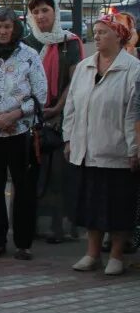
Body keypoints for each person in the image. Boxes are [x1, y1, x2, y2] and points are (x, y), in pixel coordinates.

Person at [64, 15, 140, 276]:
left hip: (116, 149)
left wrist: (134, 149)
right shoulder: (85, 66)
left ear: (119, 36)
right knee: (91, 204)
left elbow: (133, 113)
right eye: (95, 32)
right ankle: (92, 254)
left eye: (103, 32)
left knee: (118, 205)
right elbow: (72, 105)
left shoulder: (133, 69)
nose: (96, 37)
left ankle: (116, 255)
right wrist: (69, 138)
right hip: (86, 149)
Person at [0, 8, 48, 260]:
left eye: (7, 27)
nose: (2, 32)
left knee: (23, 187)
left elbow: (40, 95)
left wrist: (13, 116)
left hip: (20, 131)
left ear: (15, 28)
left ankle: (23, 242)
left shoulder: (29, 56)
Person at [22, 0, 83, 244]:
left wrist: (57, 107)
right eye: (35, 12)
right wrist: (34, 110)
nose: (40, 16)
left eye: (45, 10)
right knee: (32, 174)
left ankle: (59, 228)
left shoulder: (69, 42)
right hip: (30, 116)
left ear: (55, 12)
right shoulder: (26, 42)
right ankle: (32, 225)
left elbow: (74, 79)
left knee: (58, 174)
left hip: (61, 117)